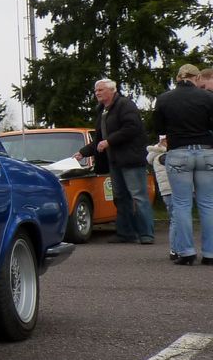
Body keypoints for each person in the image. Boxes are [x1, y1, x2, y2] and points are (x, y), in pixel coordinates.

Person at [75, 78, 153, 245]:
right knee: (120, 197)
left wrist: (109, 141)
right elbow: (99, 139)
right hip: (114, 161)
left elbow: (132, 128)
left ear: (112, 90)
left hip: (131, 160)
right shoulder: (102, 110)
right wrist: (83, 152)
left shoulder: (125, 105)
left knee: (138, 196)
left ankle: (147, 234)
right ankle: (125, 233)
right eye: (96, 90)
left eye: (100, 90)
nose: (97, 93)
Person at [153, 63, 213, 265]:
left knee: (182, 204)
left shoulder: (164, 99)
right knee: (208, 203)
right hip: (206, 152)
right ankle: (210, 253)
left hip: (178, 152)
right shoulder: (208, 97)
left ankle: (186, 252)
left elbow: (159, 128)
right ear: (197, 78)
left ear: (178, 78)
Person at [147, 137, 174, 260]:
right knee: (176, 219)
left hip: (166, 191)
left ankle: (176, 248)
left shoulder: (155, 155)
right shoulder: (162, 156)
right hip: (171, 190)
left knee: (175, 219)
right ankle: (176, 248)